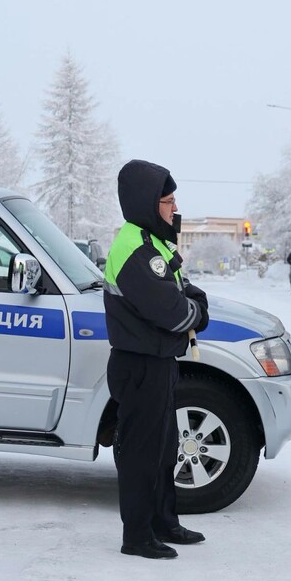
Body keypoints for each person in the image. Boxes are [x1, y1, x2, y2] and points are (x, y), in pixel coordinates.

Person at [103, 159, 210, 560]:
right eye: (167, 201)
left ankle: (164, 522)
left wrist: (193, 304)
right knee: (141, 453)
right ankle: (137, 535)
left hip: (158, 361)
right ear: (147, 203)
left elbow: (185, 289)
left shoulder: (153, 243)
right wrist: (197, 313)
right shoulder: (135, 250)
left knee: (164, 449)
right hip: (140, 364)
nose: (174, 208)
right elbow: (174, 311)